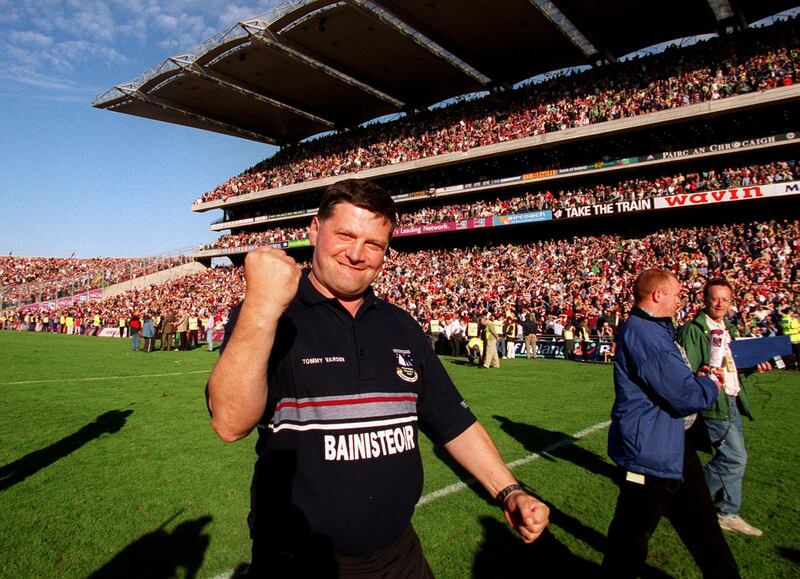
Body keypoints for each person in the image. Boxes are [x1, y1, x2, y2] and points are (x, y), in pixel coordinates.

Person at [207, 179, 548, 576]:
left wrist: (508, 491)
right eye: (346, 235)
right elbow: (229, 423)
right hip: (298, 563)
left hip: (399, 557)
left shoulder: (400, 326)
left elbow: (453, 422)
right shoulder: (270, 314)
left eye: (373, 244)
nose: (356, 254)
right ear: (315, 231)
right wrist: (262, 307)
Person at [602, 268, 739, 578]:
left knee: (704, 528)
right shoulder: (644, 332)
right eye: (677, 293)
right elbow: (680, 394)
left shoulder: (656, 329)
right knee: (629, 539)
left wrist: (697, 379)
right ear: (657, 295)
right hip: (648, 452)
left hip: (672, 443)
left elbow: (674, 381)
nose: (681, 299)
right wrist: (709, 386)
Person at [677, 278, 771, 536]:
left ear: (731, 302)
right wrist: (701, 376)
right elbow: (688, 372)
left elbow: (734, 368)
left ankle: (727, 511)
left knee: (734, 459)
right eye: (715, 298)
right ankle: (687, 498)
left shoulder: (730, 328)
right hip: (713, 403)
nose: (720, 303)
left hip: (732, 399)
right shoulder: (693, 330)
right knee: (734, 459)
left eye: (725, 299)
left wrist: (754, 367)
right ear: (704, 300)